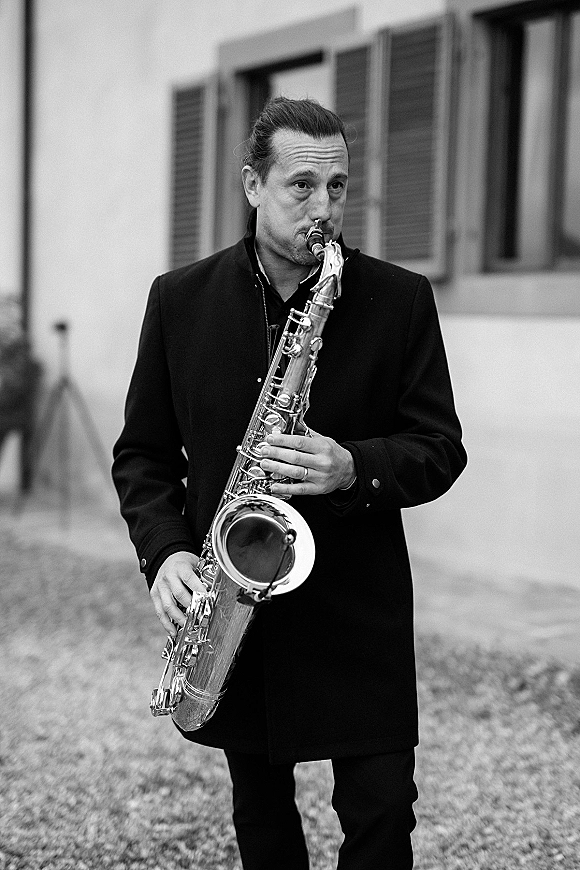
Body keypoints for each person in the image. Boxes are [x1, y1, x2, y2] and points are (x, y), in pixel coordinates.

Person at [112, 97, 467, 869]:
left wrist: (353, 465)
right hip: (239, 606)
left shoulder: (399, 299)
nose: (324, 207)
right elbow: (141, 456)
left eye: (337, 187)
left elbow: (441, 449)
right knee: (262, 820)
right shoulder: (179, 301)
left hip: (357, 605)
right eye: (301, 186)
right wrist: (167, 553)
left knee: (381, 819)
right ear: (252, 184)